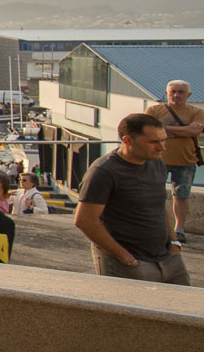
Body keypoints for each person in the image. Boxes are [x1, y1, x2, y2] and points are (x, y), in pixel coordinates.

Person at [74, 113, 188, 284]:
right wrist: (125, 258)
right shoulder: (104, 171)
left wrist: (173, 243)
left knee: (186, 309)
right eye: (153, 142)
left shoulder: (155, 162)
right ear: (128, 140)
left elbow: (160, 204)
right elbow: (85, 220)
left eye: (164, 140)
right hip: (129, 263)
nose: (162, 147)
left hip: (168, 258)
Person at [148, 80, 201, 243]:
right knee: (153, 194)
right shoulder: (153, 110)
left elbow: (196, 130)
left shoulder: (196, 112)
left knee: (182, 196)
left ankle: (179, 229)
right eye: (173, 92)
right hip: (156, 160)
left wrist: (164, 130)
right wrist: (183, 131)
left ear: (188, 95)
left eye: (181, 92)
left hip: (185, 160)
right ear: (166, 93)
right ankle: (155, 226)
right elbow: (148, 130)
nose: (176, 95)